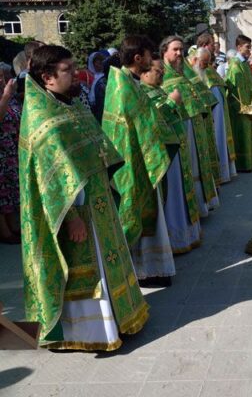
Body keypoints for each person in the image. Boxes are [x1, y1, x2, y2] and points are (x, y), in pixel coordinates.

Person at [20, 45, 148, 350]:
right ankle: (93, 333)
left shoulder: (72, 104)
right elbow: (52, 183)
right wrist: (72, 219)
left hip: (99, 200)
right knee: (88, 270)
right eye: (67, 69)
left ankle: (121, 317)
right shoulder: (42, 119)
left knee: (108, 263)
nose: (76, 73)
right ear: (47, 77)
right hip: (75, 211)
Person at [102, 35, 180, 287]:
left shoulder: (128, 82)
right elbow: (144, 124)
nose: (152, 59)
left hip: (142, 157)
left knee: (150, 214)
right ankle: (144, 271)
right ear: (138, 58)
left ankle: (153, 269)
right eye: (148, 55)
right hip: (134, 162)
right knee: (137, 213)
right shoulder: (124, 86)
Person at [140, 56, 203, 254]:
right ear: (144, 72)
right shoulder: (142, 93)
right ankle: (174, 239)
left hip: (176, 151)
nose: (162, 74)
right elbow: (152, 123)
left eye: (162, 71)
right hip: (163, 155)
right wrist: (171, 102)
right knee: (172, 195)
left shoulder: (158, 90)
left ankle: (184, 235)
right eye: (158, 71)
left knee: (179, 192)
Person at [161, 36, 219, 217]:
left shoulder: (183, 72)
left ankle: (200, 207)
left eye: (181, 49)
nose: (180, 53)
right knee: (188, 170)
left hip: (194, 125)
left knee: (197, 166)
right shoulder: (160, 74)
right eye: (175, 49)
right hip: (180, 128)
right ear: (164, 52)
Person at [193, 46, 236, 183]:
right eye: (204, 63)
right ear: (195, 59)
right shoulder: (192, 72)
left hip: (215, 114)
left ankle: (221, 173)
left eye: (208, 62)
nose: (207, 66)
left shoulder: (207, 71)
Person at [225, 35, 252, 171]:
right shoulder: (235, 65)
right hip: (241, 108)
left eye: (250, 47)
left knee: (251, 133)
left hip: (250, 105)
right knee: (243, 134)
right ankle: (244, 164)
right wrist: (242, 106)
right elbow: (234, 88)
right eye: (247, 47)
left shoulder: (245, 64)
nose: (250, 50)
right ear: (239, 47)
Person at [0, 63, 21, 244]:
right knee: (1, 193)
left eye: (2, 76)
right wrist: (7, 95)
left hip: (10, 152)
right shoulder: (5, 96)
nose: (2, 80)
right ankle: (4, 232)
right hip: (1, 153)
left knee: (10, 192)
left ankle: (13, 227)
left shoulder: (6, 95)